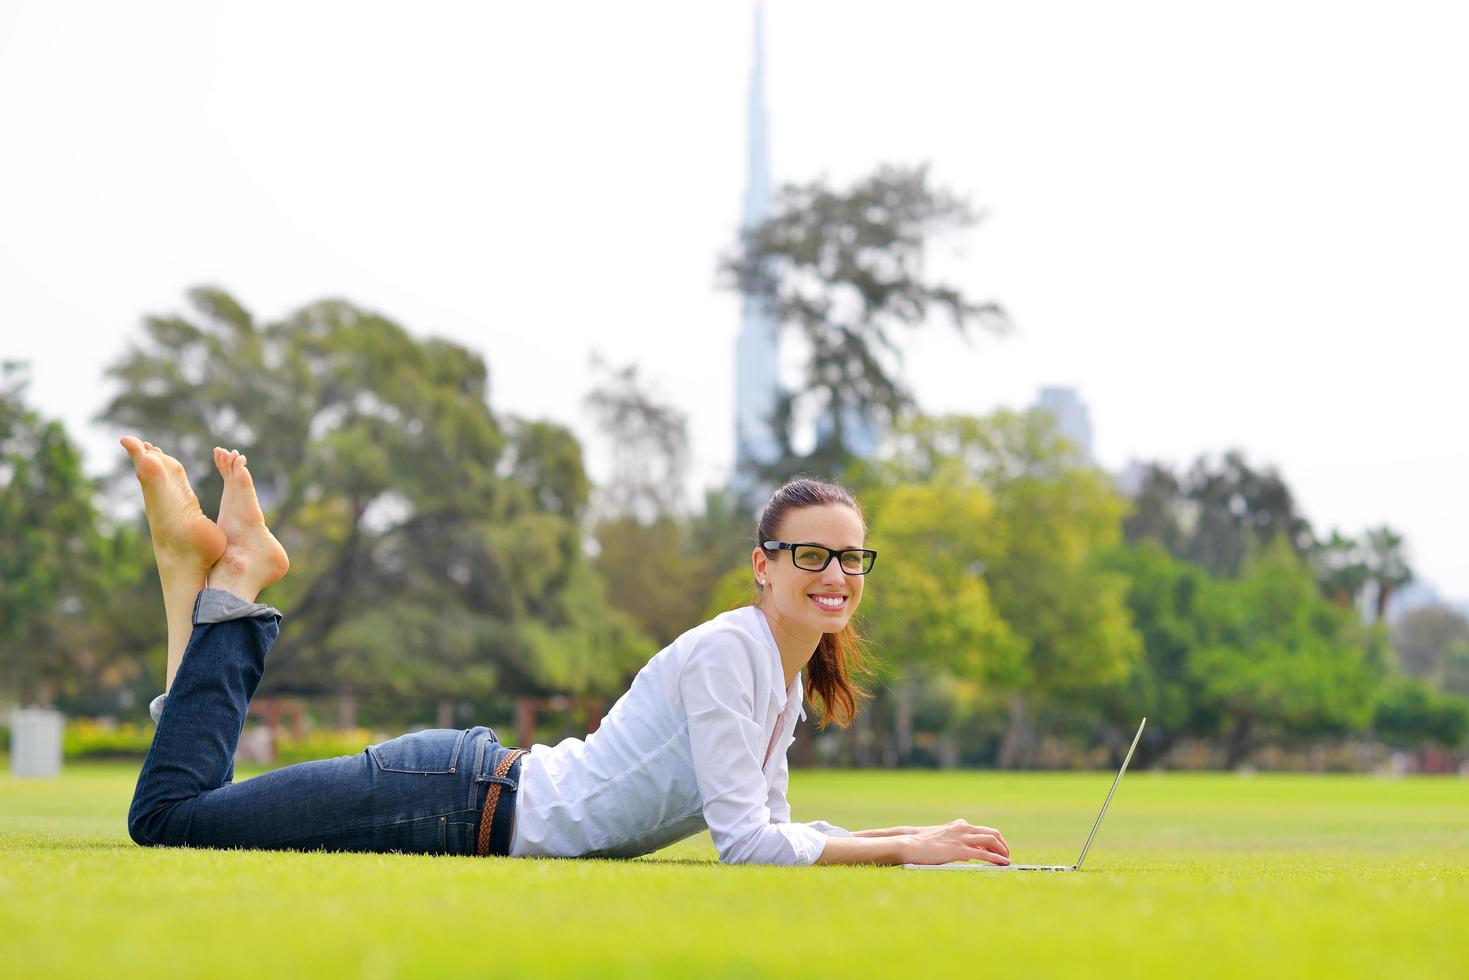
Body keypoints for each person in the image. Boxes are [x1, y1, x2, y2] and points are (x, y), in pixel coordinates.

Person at [123, 435, 1010, 866]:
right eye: (810, 555)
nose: (834, 575)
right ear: (762, 567)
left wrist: (921, 839)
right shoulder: (727, 656)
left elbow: (776, 831)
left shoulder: (776, 675)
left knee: (190, 807)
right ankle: (232, 582)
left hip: (467, 798)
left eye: (849, 558)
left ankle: (197, 583)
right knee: (170, 822)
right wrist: (904, 851)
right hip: (449, 800)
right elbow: (745, 847)